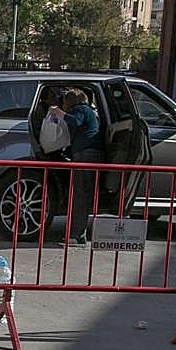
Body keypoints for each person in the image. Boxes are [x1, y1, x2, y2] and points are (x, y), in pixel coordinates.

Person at [52, 88, 104, 246]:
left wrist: (59, 113)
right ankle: (78, 234)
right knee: (81, 195)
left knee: (80, 196)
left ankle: (77, 236)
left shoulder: (81, 109)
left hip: (86, 155)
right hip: (87, 154)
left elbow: (75, 121)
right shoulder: (89, 111)